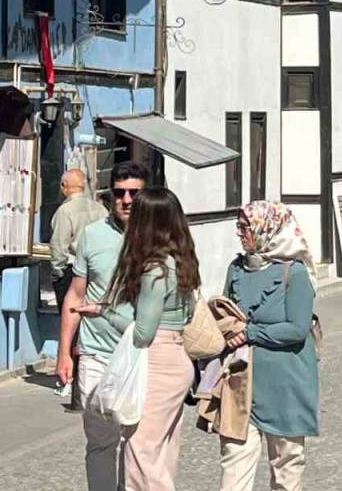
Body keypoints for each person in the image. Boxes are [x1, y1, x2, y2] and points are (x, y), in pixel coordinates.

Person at [74, 187, 198, 491]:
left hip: (158, 361)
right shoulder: (180, 261)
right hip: (177, 357)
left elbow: (143, 332)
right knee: (162, 450)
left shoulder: (155, 270)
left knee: (140, 451)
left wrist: (103, 312)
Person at [57, 161, 147, 491]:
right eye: (120, 193)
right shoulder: (92, 235)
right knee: (100, 440)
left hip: (141, 354)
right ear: (110, 196)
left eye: (134, 193)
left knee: (137, 441)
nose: (126, 200)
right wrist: (64, 353)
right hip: (96, 353)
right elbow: (75, 294)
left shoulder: (156, 236)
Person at [219, 201, 319, 491]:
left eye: (245, 227)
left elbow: (297, 328)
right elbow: (226, 313)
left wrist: (250, 333)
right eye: (239, 227)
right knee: (234, 465)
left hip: (286, 385)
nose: (240, 233)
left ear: (267, 229)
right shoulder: (236, 269)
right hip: (242, 382)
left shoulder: (294, 272)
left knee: (286, 467)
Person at [49, 168, 108, 401]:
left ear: (64, 187)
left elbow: (58, 246)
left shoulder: (65, 211)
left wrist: (57, 271)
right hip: (99, 272)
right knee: (94, 321)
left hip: (73, 271)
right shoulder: (100, 209)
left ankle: (69, 376)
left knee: (71, 321)